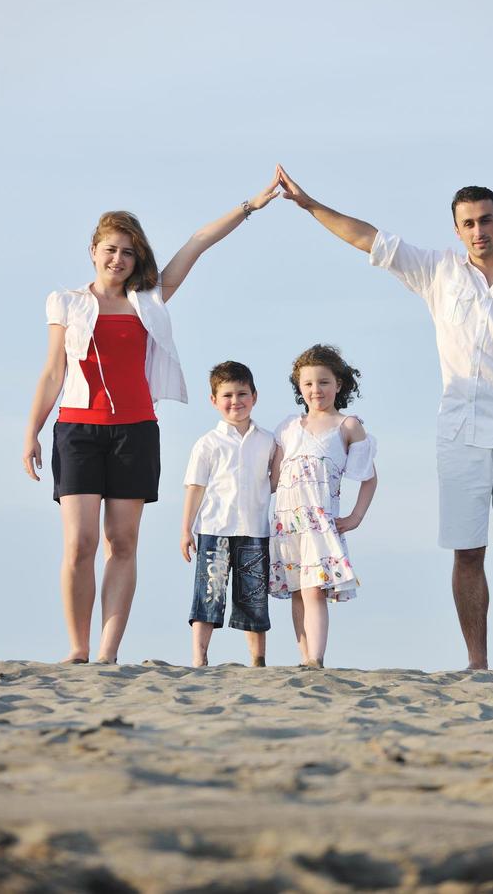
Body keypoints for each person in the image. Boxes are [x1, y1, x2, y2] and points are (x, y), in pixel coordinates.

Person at [276, 165, 493, 672]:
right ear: (457, 230)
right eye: (468, 223)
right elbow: (370, 239)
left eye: (486, 220)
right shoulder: (439, 272)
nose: (479, 231)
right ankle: (477, 664)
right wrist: (310, 205)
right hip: (458, 434)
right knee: (466, 551)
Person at [22, 178, 279, 664]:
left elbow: (198, 243)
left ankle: (106, 651)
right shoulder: (67, 302)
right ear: (93, 251)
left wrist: (252, 205)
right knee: (79, 542)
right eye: (110, 250)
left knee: (122, 541)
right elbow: (53, 369)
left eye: (127, 253)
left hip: (136, 431)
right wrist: (31, 431)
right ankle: (77, 648)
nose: (118, 259)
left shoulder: (150, 299)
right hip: (77, 430)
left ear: (137, 259)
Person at [269, 344, 377, 668]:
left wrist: (356, 516)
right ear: (299, 388)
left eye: (324, 382)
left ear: (339, 384)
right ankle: (304, 657)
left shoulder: (347, 426)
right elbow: (273, 478)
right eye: (308, 384)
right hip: (286, 523)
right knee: (298, 591)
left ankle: (316, 658)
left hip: (318, 522)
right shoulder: (288, 426)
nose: (316, 390)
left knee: (314, 589)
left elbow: (369, 477)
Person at [180, 361, 275, 667]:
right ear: (214, 401)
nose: (236, 401)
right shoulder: (207, 444)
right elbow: (195, 487)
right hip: (214, 529)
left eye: (242, 394)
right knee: (209, 595)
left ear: (255, 396)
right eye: (228, 395)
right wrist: (186, 529)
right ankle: (199, 658)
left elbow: (274, 482)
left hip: (254, 530)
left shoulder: (268, 440)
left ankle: (258, 660)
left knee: (254, 599)